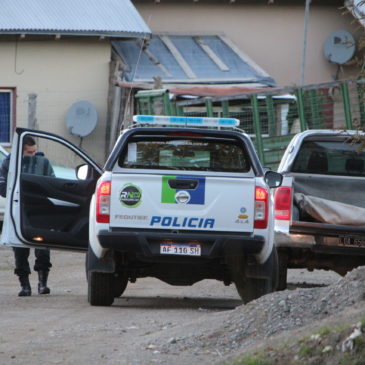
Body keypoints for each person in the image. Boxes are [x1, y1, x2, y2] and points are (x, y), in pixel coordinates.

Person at [0, 136, 53, 296]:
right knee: (20, 249)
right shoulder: (9, 164)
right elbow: (2, 187)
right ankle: (25, 285)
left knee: (43, 249)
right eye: (30, 152)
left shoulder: (42, 162)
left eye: (34, 151)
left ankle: (42, 284)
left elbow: (52, 183)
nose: (33, 154)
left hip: (39, 210)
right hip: (18, 210)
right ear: (20, 151)